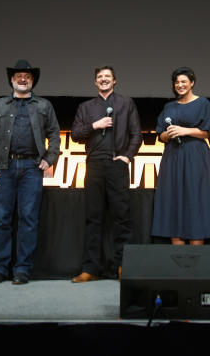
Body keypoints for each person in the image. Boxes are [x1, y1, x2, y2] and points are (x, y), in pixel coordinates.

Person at [0, 59, 60, 285]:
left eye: (27, 76)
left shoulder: (44, 106)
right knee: (1, 220)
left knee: (28, 219)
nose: (22, 79)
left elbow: (54, 134)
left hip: (31, 169)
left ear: (32, 80)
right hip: (4, 167)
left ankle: (23, 269)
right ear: (12, 80)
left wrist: (50, 158)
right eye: (18, 76)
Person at [70, 66, 142, 282]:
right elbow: (75, 134)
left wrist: (127, 157)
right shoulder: (86, 107)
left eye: (107, 77)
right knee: (93, 218)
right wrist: (95, 124)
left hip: (117, 165)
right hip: (94, 166)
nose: (103, 80)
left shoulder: (126, 103)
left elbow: (136, 134)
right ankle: (90, 269)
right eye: (99, 77)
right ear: (95, 82)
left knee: (122, 218)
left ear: (114, 81)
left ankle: (122, 266)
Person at [152, 67, 210, 244]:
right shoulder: (169, 106)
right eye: (177, 82)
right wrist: (169, 134)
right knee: (174, 196)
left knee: (196, 196)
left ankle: (197, 251)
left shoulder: (203, 103)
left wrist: (185, 131)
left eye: (184, 81)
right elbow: (160, 135)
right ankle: (178, 254)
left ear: (192, 83)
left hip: (195, 155)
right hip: (173, 156)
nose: (180, 85)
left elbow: (208, 132)